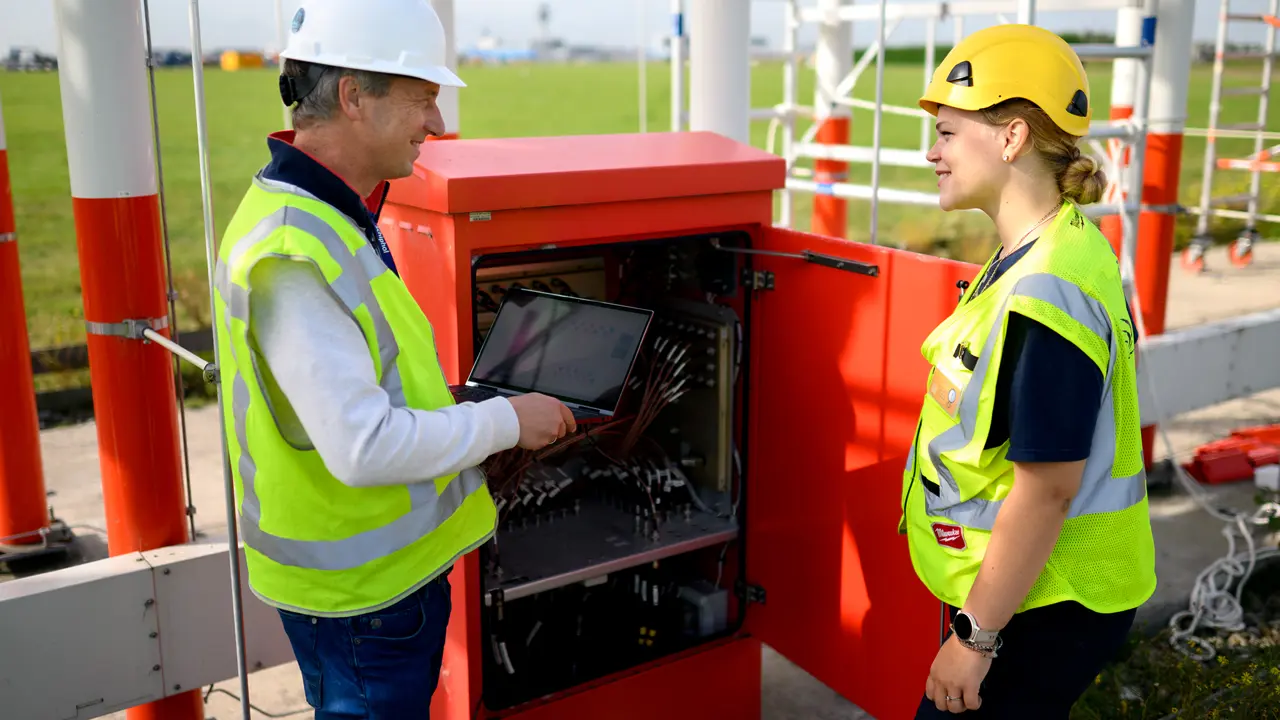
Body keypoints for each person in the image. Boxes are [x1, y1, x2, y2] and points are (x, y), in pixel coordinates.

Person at [211, 0, 575, 716]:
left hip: (375, 593)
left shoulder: (330, 213)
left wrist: (456, 408)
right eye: (423, 99)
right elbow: (362, 446)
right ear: (353, 96)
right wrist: (507, 420)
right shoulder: (293, 250)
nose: (436, 125)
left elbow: (358, 390)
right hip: (361, 604)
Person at [901, 24, 1156, 718]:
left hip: (1041, 606)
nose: (933, 151)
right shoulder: (1050, 244)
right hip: (1029, 594)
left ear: (1011, 138)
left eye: (949, 133)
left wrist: (975, 637)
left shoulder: (1047, 286)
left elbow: (1045, 491)